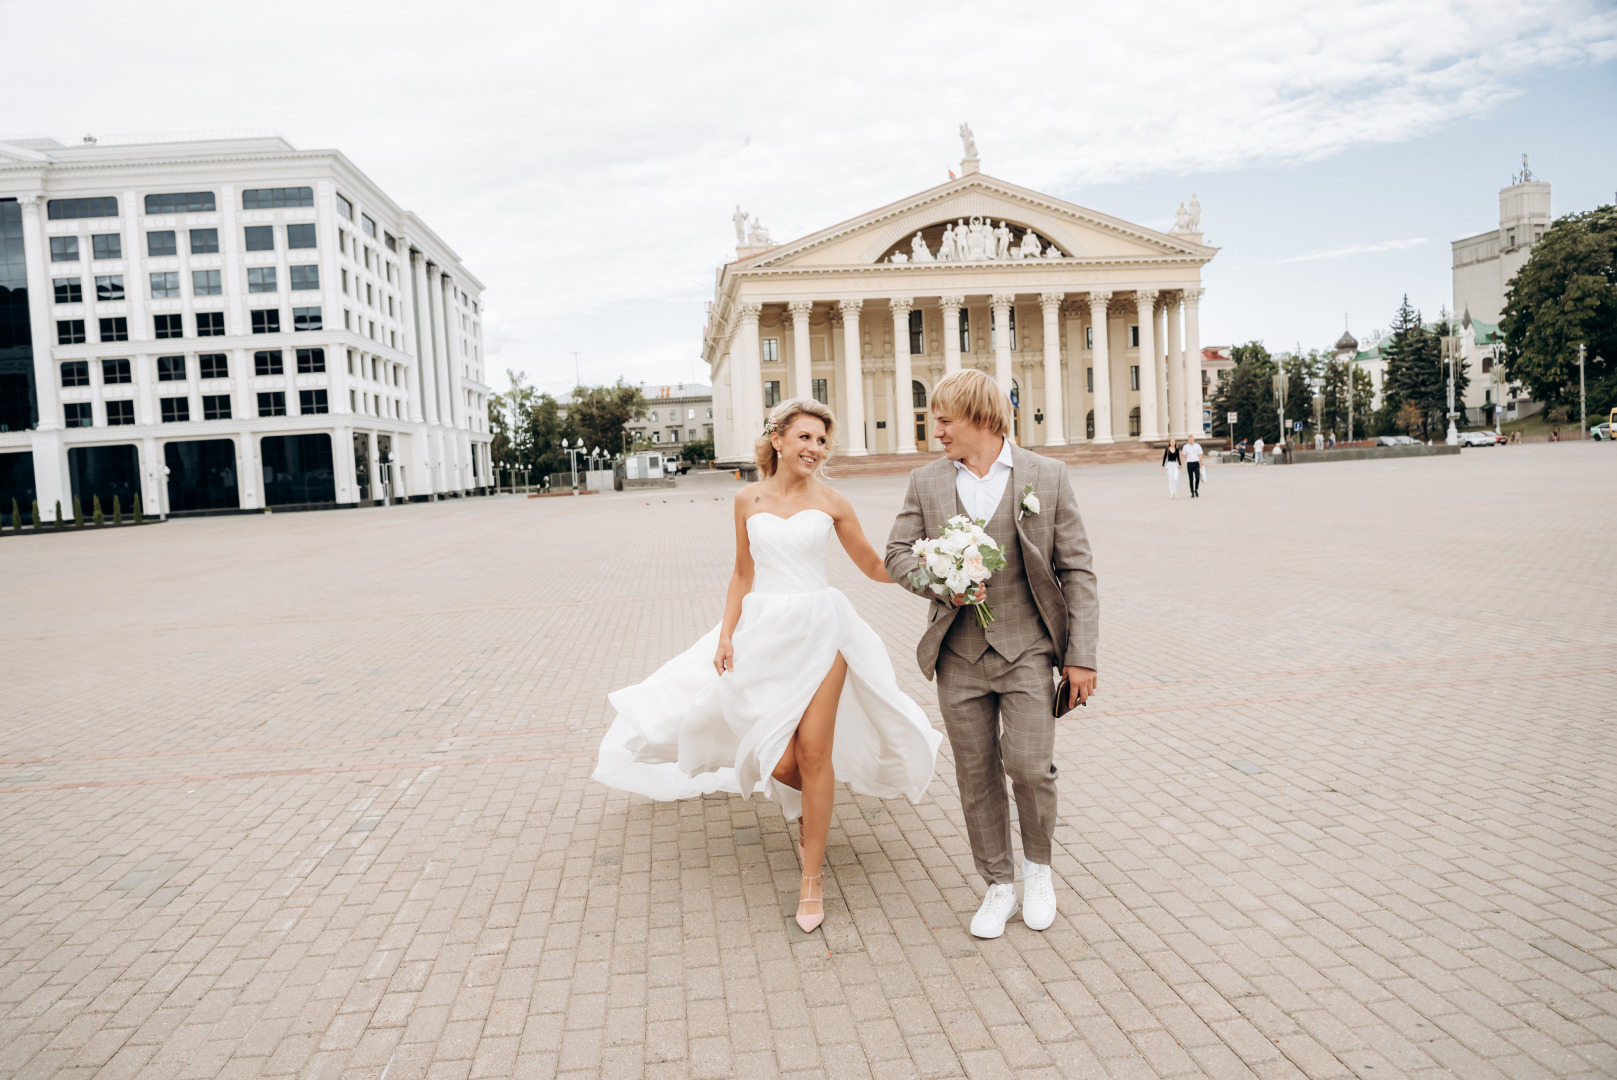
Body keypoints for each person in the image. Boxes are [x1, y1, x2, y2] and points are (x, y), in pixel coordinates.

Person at [594, 398, 941, 934]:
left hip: (823, 629)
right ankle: (806, 814)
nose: (814, 449)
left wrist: (935, 574)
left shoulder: (833, 501)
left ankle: (811, 878)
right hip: (762, 634)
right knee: (778, 762)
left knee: (814, 751)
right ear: (777, 439)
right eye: (805, 437)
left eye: (822, 441)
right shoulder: (746, 498)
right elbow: (741, 573)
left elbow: (873, 565)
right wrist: (726, 634)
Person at [885, 370, 1099, 940]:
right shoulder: (925, 482)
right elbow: (896, 553)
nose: (936, 431)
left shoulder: (1045, 477)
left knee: (1030, 768)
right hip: (957, 655)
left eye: (944, 419)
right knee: (976, 774)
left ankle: (1038, 872)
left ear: (980, 416)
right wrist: (937, 579)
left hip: (1028, 648)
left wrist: (1081, 657)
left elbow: (1076, 569)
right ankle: (999, 885)